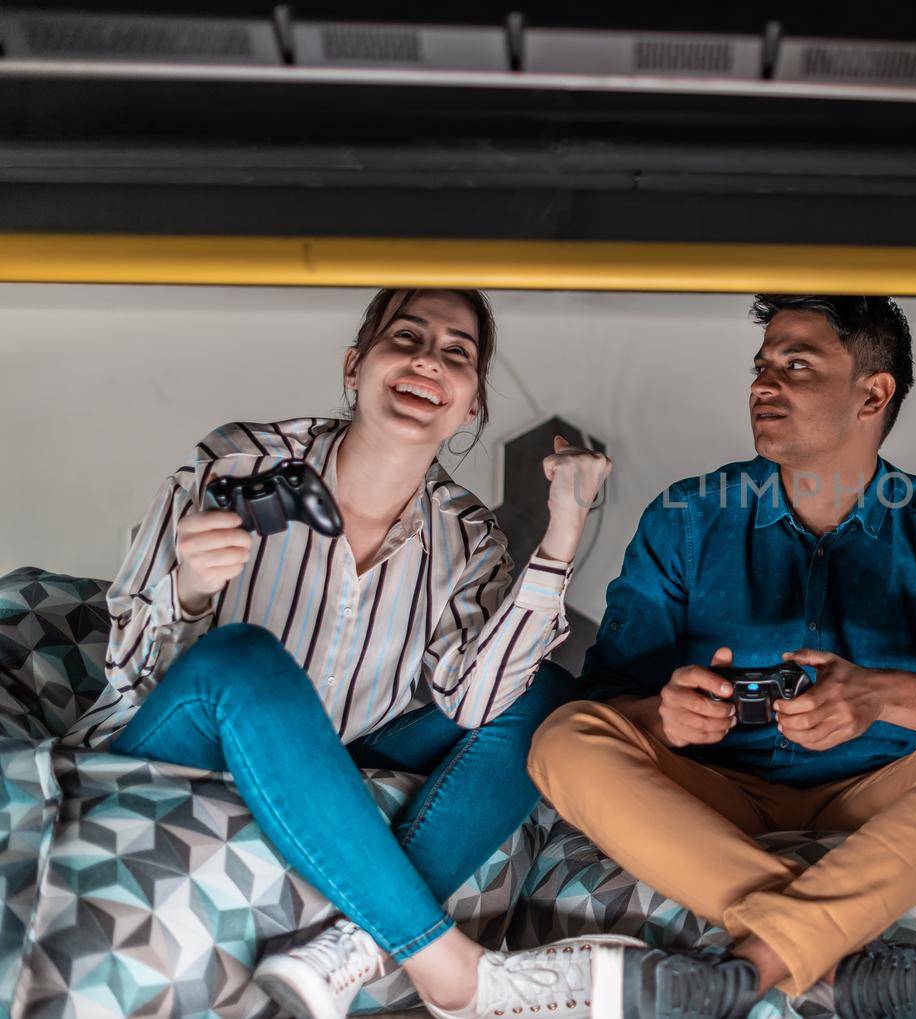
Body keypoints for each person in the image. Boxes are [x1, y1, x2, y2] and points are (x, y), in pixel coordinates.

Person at [526, 294, 916, 1019]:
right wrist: (664, 715)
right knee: (560, 739)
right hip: (716, 791)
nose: (763, 386)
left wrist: (880, 696)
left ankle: (752, 961)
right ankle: (834, 958)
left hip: (885, 791)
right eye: (762, 366)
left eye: (796, 365)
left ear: (873, 393)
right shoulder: (687, 517)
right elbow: (603, 703)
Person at [100, 288, 632, 1019]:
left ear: (471, 406)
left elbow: (479, 704)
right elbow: (128, 668)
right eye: (406, 337)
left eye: (457, 353)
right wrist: (189, 585)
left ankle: (351, 945)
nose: (427, 361)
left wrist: (564, 528)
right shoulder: (236, 461)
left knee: (545, 696)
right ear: (356, 366)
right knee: (242, 659)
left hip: (334, 758)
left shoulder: (468, 537)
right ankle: (446, 964)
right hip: (181, 743)